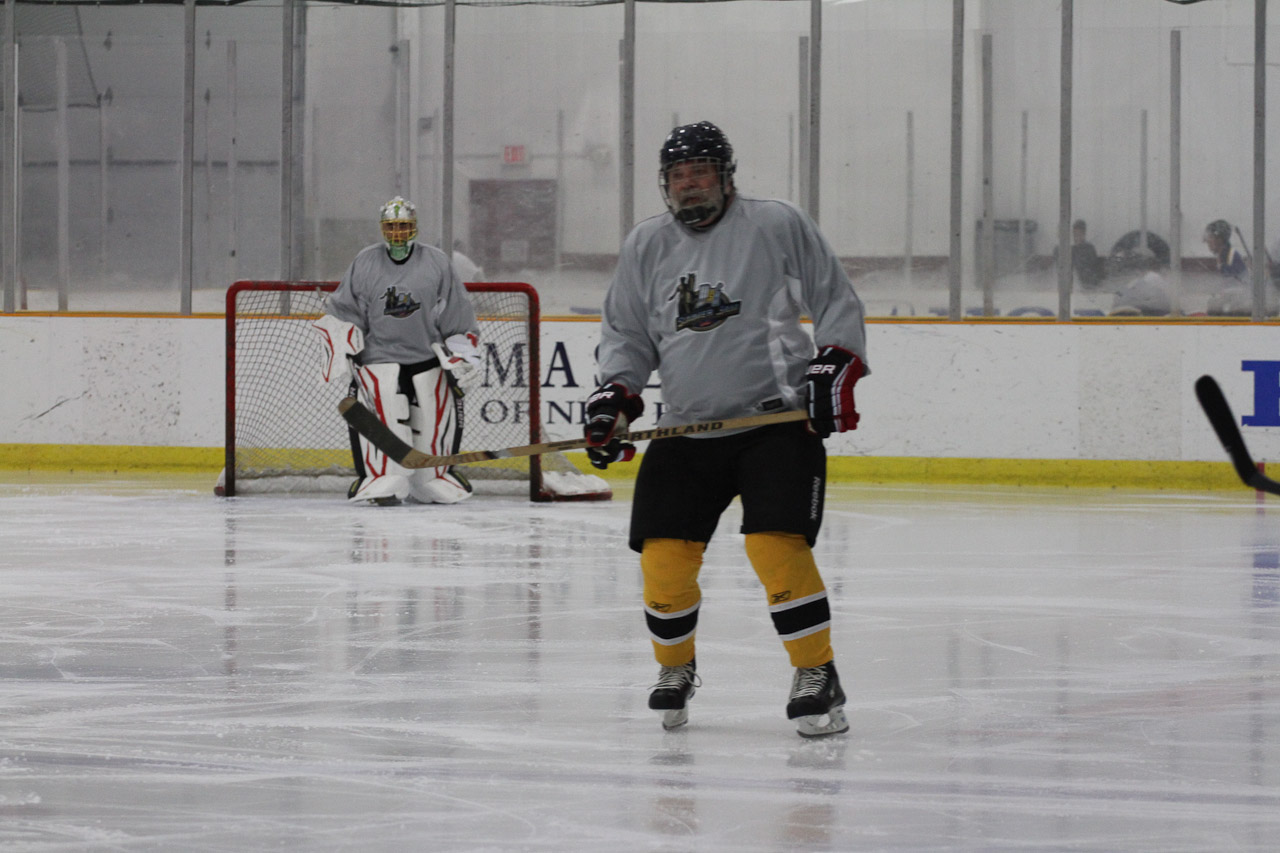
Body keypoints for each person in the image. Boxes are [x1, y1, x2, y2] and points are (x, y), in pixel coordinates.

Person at [582, 121, 868, 738]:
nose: (689, 184)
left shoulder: (776, 224)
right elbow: (627, 335)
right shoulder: (646, 244)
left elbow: (835, 299)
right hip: (685, 429)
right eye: (678, 176)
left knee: (774, 547)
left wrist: (834, 365)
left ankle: (817, 673)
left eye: (701, 172)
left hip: (775, 423)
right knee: (663, 561)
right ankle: (675, 668)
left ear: (726, 175)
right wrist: (616, 397)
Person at [312, 196, 482, 505]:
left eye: (403, 226)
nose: (398, 233)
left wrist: (462, 353)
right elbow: (344, 310)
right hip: (378, 360)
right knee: (385, 415)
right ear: (383, 228)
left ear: (414, 226)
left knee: (434, 418)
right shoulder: (365, 261)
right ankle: (380, 475)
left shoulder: (437, 261)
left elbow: (456, 313)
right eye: (391, 226)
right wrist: (343, 343)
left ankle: (434, 476)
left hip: (427, 359)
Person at [1203, 218, 1252, 315]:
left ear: (1220, 239)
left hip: (1239, 304)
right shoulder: (1224, 254)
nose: (1207, 241)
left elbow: (1236, 286)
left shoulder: (1229, 256)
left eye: (1210, 237)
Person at [1052, 219, 1103, 289]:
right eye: (1075, 234)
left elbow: (1092, 266)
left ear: (1084, 234)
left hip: (1088, 282)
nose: (1076, 237)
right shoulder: (1064, 249)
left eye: (1079, 234)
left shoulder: (1089, 248)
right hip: (1074, 282)